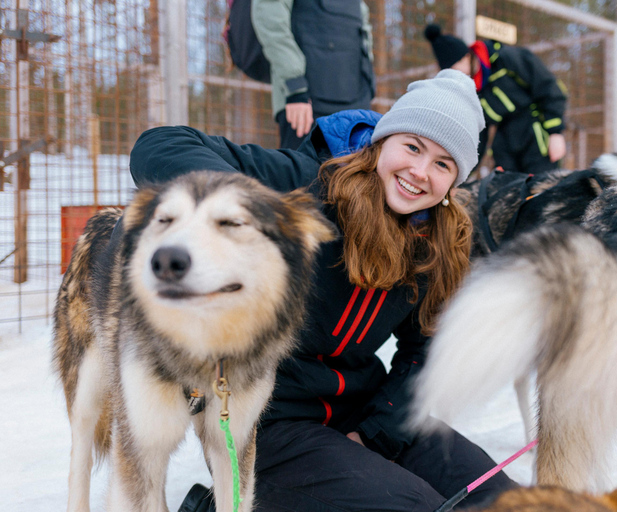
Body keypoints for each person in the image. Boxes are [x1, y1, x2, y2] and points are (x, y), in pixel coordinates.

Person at [130, 69, 517, 512]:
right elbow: (158, 145)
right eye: (412, 146)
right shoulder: (311, 183)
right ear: (383, 141)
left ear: (455, 181)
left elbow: (425, 353)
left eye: (442, 164)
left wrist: (375, 432)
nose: (419, 171)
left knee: (501, 501)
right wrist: (250, 206)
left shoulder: (440, 241)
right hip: (269, 414)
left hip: (362, 405)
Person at [424, 23, 568, 175]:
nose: (455, 75)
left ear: (466, 57)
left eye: (454, 68)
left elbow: (548, 87)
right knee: (506, 190)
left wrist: (555, 133)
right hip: (505, 142)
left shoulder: (507, 59)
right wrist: (459, 174)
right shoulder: (471, 91)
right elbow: (478, 135)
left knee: (541, 188)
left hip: (535, 135)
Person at [252, 0, 375, 150]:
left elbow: (361, 22)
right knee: (303, 170)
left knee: (356, 171)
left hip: (356, 98)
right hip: (305, 100)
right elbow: (271, 20)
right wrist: (295, 87)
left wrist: (368, 83)